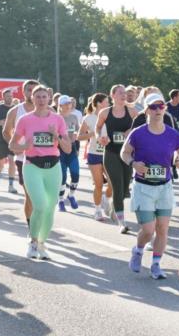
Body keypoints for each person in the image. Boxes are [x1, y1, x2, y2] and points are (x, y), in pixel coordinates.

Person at [122, 93, 179, 279]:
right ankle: (138, 250)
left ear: (165, 109)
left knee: (162, 229)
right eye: (153, 107)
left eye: (161, 106)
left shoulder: (172, 134)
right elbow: (125, 153)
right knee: (149, 229)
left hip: (164, 187)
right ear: (146, 111)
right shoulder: (138, 133)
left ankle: (156, 265)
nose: (158, 110)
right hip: (143, 187)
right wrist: (134, 164)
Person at [8, 85, 72, 259]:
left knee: (50, 208)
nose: (42, 100)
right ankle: (33, 242)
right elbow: (12, 145)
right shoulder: (25, 120)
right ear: (32, 99)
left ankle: (42, 243)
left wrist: (56, 136)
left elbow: (67, 148)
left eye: (44, 97)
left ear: (49, 99)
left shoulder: (58, 119)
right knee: (40, 205)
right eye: (38, 97)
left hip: (53, 167)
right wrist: (24, 147)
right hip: (32, 166)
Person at [95, 84, 136, 233]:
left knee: (125, 189)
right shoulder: (105, 112)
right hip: (111, 153)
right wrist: (100, 137)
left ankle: (113, 206)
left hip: (127, 154)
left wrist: (130, 130)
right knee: (118, 187)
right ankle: (122, 223)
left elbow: (141, 125)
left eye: (124, 93)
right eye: (120, 93)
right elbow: (98, 128)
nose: (123, 95)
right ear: (112, 96)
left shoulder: (131, 111)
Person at [3, 80, 39, 225]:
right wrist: (16, 145)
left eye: (34, 89)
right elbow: (5, 132)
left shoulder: (50, 111)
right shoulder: (15, 111)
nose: (31, 92)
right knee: (30, 195)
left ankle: (40, 220)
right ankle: (31, 226)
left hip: (47, 158)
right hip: (24, 158)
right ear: (23, 92)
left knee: (43, 197)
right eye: (28, 90)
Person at [79, 93, 112, 221]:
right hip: (94, 154)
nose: (109, 104)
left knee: (113, 183)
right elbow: (79, 136)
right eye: (106, 101)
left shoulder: (111, 117)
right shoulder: (89, 118)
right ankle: (98, 210)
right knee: (98, 185)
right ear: (99, 103)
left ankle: (105, 198)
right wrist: (93, 134)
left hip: (109, 154)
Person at [0, 88, 18, 193]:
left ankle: (11, 185)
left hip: (11, 138)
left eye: (11, 96)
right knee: (0, 161)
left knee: (11, 160)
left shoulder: (16, 109)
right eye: (7, 96)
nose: (9, 98)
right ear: (3, 97)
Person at [57, 95, 82, 212]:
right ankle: (61, 200)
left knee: (76, 175)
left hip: (72, 148)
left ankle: (71, 195)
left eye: (69, 103)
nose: (68, 105)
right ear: (60, 106)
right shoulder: (56, 118)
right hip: (59, 149)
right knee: (62, 177)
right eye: (65, 103)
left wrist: (77, 148)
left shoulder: (74, 117)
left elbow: (77, 132)